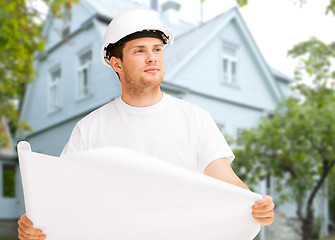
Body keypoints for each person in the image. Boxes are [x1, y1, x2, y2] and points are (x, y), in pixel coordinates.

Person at [17, 8, 274, 240]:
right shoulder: (90, 128)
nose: (152, 58)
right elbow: (63, 197)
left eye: (157, 49)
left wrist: (254, 203)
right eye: (140, 51)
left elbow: (227, 181)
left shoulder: (195, 119)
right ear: (116, 63)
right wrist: (36, 227)